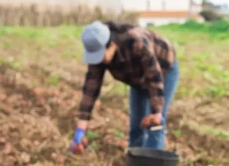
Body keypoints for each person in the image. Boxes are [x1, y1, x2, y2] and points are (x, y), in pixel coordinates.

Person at [71, 21, 179, 154]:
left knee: (155, 126)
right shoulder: (98, 53)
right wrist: (80, 129)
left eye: (101, 56)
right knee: (136, 125)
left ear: (111, 45)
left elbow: (153, 78)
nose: (99, 61)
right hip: (137, 78)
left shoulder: (136, 41)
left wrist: (156, 112)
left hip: (163, 70)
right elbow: (90, 89)